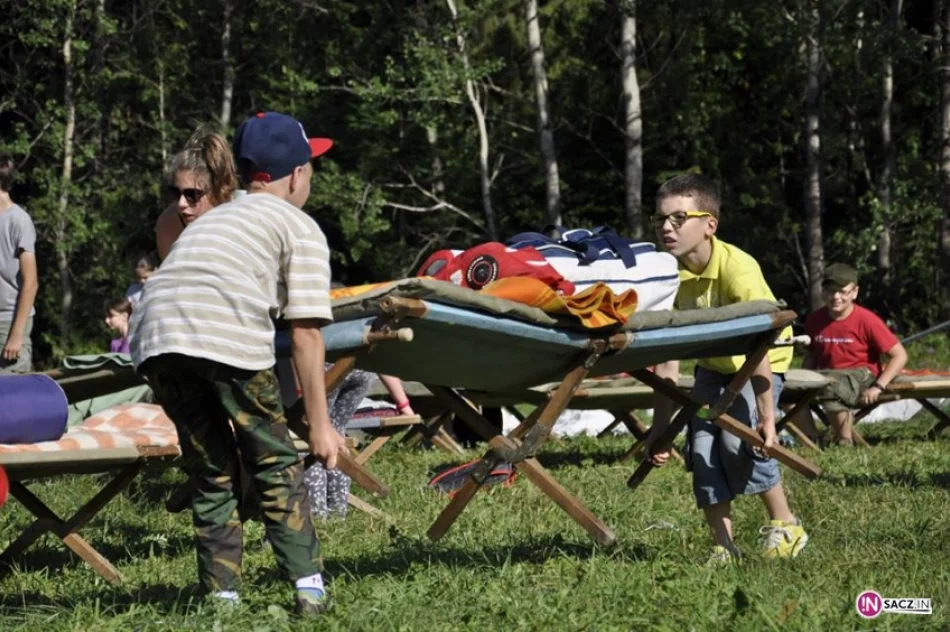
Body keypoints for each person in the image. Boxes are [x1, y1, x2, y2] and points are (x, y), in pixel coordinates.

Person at [130, 111, 339, 616]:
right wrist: (319, 425)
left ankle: (221, 600)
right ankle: (309, 589)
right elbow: (307, 333)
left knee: (212, 470)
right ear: (297, 174)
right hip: (220, 333)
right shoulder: (298, 226)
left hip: (157, 337)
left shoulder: (216, 215)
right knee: (273, 461)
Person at [644, 173, 807, 562]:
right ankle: (724, 547)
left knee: (740, 439)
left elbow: (760, 348)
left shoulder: (739, 271)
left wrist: (768, 418)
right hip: (714, 367)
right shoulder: (666, 277)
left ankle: (786, 525)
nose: (667, 227)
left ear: (709, 226)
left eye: (679, 218)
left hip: (760, 363)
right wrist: (659, 428)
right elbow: (668, 358)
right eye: (662, 219)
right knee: (701, 449)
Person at [791, 263, 908, 446]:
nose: (836, 297)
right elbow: (812, 355)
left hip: (862, 375)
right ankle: (812, 440)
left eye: (842, 292)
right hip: (827, 374)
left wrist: (878, 386)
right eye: (830, 291)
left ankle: (844, 443)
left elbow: (899, 355)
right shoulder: (815, 319)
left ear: (854, 292)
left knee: (831, 385)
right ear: (822, 292)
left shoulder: (867, 320)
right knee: (785, 385)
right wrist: (802, 379)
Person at [304, 367, 415, 519]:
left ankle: (315, 517)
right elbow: (382, 358)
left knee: (311, 437)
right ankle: (337, 515)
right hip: (363, 368)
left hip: (325, 367)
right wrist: (403, 404)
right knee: (338, 435)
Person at [155, 126, 241, 261]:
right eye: (176, 193)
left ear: (219, 189)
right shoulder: (169, 223)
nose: (181, 204)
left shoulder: (244, 220)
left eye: (192, 195)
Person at [0, 153, 38, 374]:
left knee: (9, 401)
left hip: (8, 323)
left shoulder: (18, 220)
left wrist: (17, 334)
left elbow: (31, 283)